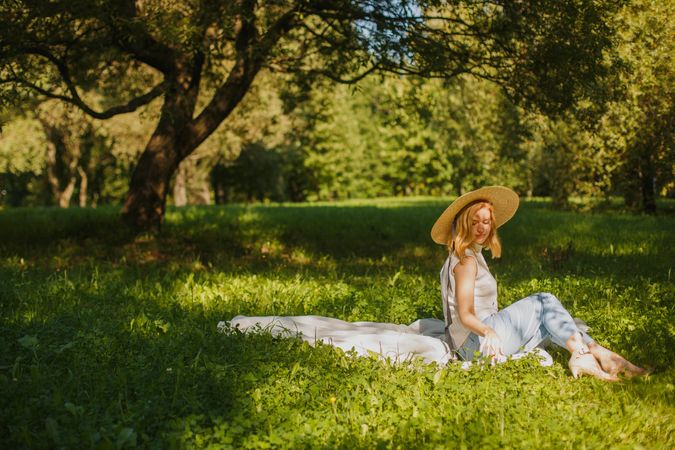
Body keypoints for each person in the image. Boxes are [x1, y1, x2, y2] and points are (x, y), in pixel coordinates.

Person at [431, 186, 647, 380]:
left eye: (486, 222)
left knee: (550, 322)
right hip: (476, 342)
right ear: (462, 224)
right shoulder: (466, 260)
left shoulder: (467, 255)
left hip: (476, 340)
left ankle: (598, 354)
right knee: (545, 301)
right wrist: (489, 332)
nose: (481, 228)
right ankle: (588, 355)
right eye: (474, 222)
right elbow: (465, 313)